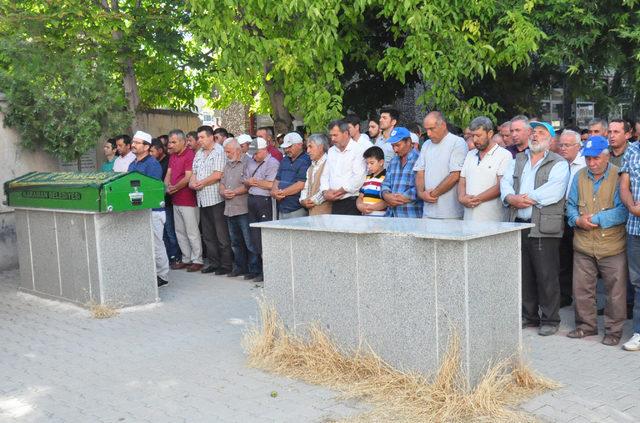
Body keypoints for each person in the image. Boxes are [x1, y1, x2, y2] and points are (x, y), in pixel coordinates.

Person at [501, 121, 569, 336]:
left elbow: (555, 191)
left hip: (543, 227)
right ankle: (529, 316)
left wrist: (523, 199)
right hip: (519, 224)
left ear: (550, 140)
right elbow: (505, 182)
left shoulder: (558, 162)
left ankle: (550, 319)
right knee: (525, 274)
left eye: (541, 133)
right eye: (533, 132)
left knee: (546, 275)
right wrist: (510, 197)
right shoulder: (518, 159)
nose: (535, 136)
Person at [566, 136, 628, 346]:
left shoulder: (619, 175)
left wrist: (596, 219)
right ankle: (586, 326)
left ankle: (614, 331)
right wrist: (576, 220)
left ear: (606, 155)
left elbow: (623, 211)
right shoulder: (579, 176)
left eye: (595, 159)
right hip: (583, 244)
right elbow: (571, 205)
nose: (591, 163)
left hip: (612, 245)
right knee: (582, 290)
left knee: (615, 293)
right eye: (588, 159)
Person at [127, 131, 169, 287]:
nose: (133, 145)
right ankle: (147, 272)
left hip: (153, 211)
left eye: (137, 143)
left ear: (146, 147)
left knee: (156, 243)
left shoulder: (152, 164)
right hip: (137, 211)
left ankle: (162, 275)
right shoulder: (132, 164)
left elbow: (151, 189)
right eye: (133, 142)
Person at [190, 125, 233, 276]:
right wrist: (193, 182)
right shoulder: (199, 153)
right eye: (198, 138)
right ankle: (214, 263)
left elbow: (218, 174)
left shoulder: (219, 151)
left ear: (211, 137)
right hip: (201, 199)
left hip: (216, 199)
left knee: (221, 234)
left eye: (202, 137)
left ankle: (226, 264)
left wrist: (202, 183)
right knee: (208, 235)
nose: (199, 140)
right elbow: (194, 172)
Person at [414, 111, 467, 219]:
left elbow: (455, 175)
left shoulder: (457, 142)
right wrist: (421, 193)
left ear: (443, 125)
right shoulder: (426, 145)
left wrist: (432, 194)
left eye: (431, 129)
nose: (428, 134)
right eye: (426, 129)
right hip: (428, 212)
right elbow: (420, 171)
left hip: (450, 214)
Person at [458, 116, 512, 222]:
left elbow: (501, 186)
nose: (475, 140)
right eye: (473, 136)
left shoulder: (504, 155)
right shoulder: (470, 154)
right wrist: (461, 198)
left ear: (490, 133)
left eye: (478, 135)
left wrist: (475, 199)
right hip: (468, 218)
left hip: (493, 219)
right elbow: (462, 181)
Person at [220, 138, 260, 279]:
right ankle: (239, 267)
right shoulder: (227, 165)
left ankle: (254, 270)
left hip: (243, 208)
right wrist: (223, 191)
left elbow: (250, 185)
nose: (227, 154)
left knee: (249, 241)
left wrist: (234, 192)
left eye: (228, 151)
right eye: (225, 151)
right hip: (230, 208)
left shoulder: (248, 163)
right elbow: (222, 183)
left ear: (237, 150)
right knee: (235, 242)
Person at [243, 137, 280, 282]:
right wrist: (250, 182)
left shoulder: (273, 163)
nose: (254, 156)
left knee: (265, 236)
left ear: (265, 150)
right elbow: (245, 180)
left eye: (257, 153)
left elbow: (271, 184)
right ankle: (258, 269)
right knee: (255, 237)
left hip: (264, 201)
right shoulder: (251, 161)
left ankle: (269, 272)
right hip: (251, 199)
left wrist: (254, 182)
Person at [557, 129, 586, 307]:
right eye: (561, 145)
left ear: (578, 146)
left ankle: (584, 299)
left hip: (580, 216)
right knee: (563, 257)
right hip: (560, 216)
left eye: (567, 145)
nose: (563, 148)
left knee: (581, 260)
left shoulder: (584, 164)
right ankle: (564, 295)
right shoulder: (558, 163)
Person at [166, 129, 202, 272]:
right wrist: (166, 186)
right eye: (170, 142)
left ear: (183, 142)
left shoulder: (190, 155)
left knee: (192, 231)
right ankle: (186, 258)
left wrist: (174, 187)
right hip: (175, 200)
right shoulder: (173, 156)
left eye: (174, 142)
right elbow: (168, 173)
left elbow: (188, 177)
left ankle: (197, 259)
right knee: (180, 231)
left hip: (188, 200)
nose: (171, 145)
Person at [321, 120, 367, 215]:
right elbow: (325, 175)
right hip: (333, 202)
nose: (332, 139)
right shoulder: (331, 151)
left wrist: (339, 192)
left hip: (351, 202)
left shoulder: (358, 149)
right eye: (331, 136)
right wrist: (325, 192)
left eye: (335, 135)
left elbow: (359, 178)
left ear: (346, 133)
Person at [620, 139, 640, 350]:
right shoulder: (632, 149)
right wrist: (632, 207)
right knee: (638, 283)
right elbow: (624, 186)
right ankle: (638, 332)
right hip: (635, 227)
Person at [151, 138, 181, 266]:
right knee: (162, 234)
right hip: (158, 201)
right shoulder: (155, 162)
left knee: (170, 231)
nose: (151, 154)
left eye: (152, 151)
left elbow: (167, 180)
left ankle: (175, 257)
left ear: (159, 150)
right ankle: (168, 256)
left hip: (167, 201)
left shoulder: (166, 161)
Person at [381, 128, 422, 218]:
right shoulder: (393, 161)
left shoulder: (420, 159)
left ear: (408, 142)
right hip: (391, 215)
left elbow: (423, 186)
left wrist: (399, 198)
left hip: (411, 215)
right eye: (393, 146)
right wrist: (386, 195)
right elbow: (385, 183)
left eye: (398, 145)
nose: (395, 150)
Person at [272, 132, 311, 219]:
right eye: (285, 148)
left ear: (300, 145)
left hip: (297, 208)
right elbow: (277, 179)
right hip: (282, 207)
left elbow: (301, 184)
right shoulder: (285, 159)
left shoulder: (306, 160)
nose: (287, 150)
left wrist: (281, 193)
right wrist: (274, 191)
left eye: (290, 147)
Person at [300, 134, 332, 215]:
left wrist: (312, 201)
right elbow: (306, 188)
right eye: (307, 147)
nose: (308, 151)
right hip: (312, 214)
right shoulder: (311, 167)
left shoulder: (330, 163)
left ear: (320, 147)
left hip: (327, 214)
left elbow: (328, 188)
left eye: (311, 147)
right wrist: (303, 200)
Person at [357, 146, 387, 216]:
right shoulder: (368, 178)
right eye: (367, 163)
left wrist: (372, 207)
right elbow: (360, 197)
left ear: (381, 162)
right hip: (365, 217)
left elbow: (387, 201)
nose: (369, 166)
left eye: (372, 163)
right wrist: (359, 205)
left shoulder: (386, 178)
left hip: (380, 217)